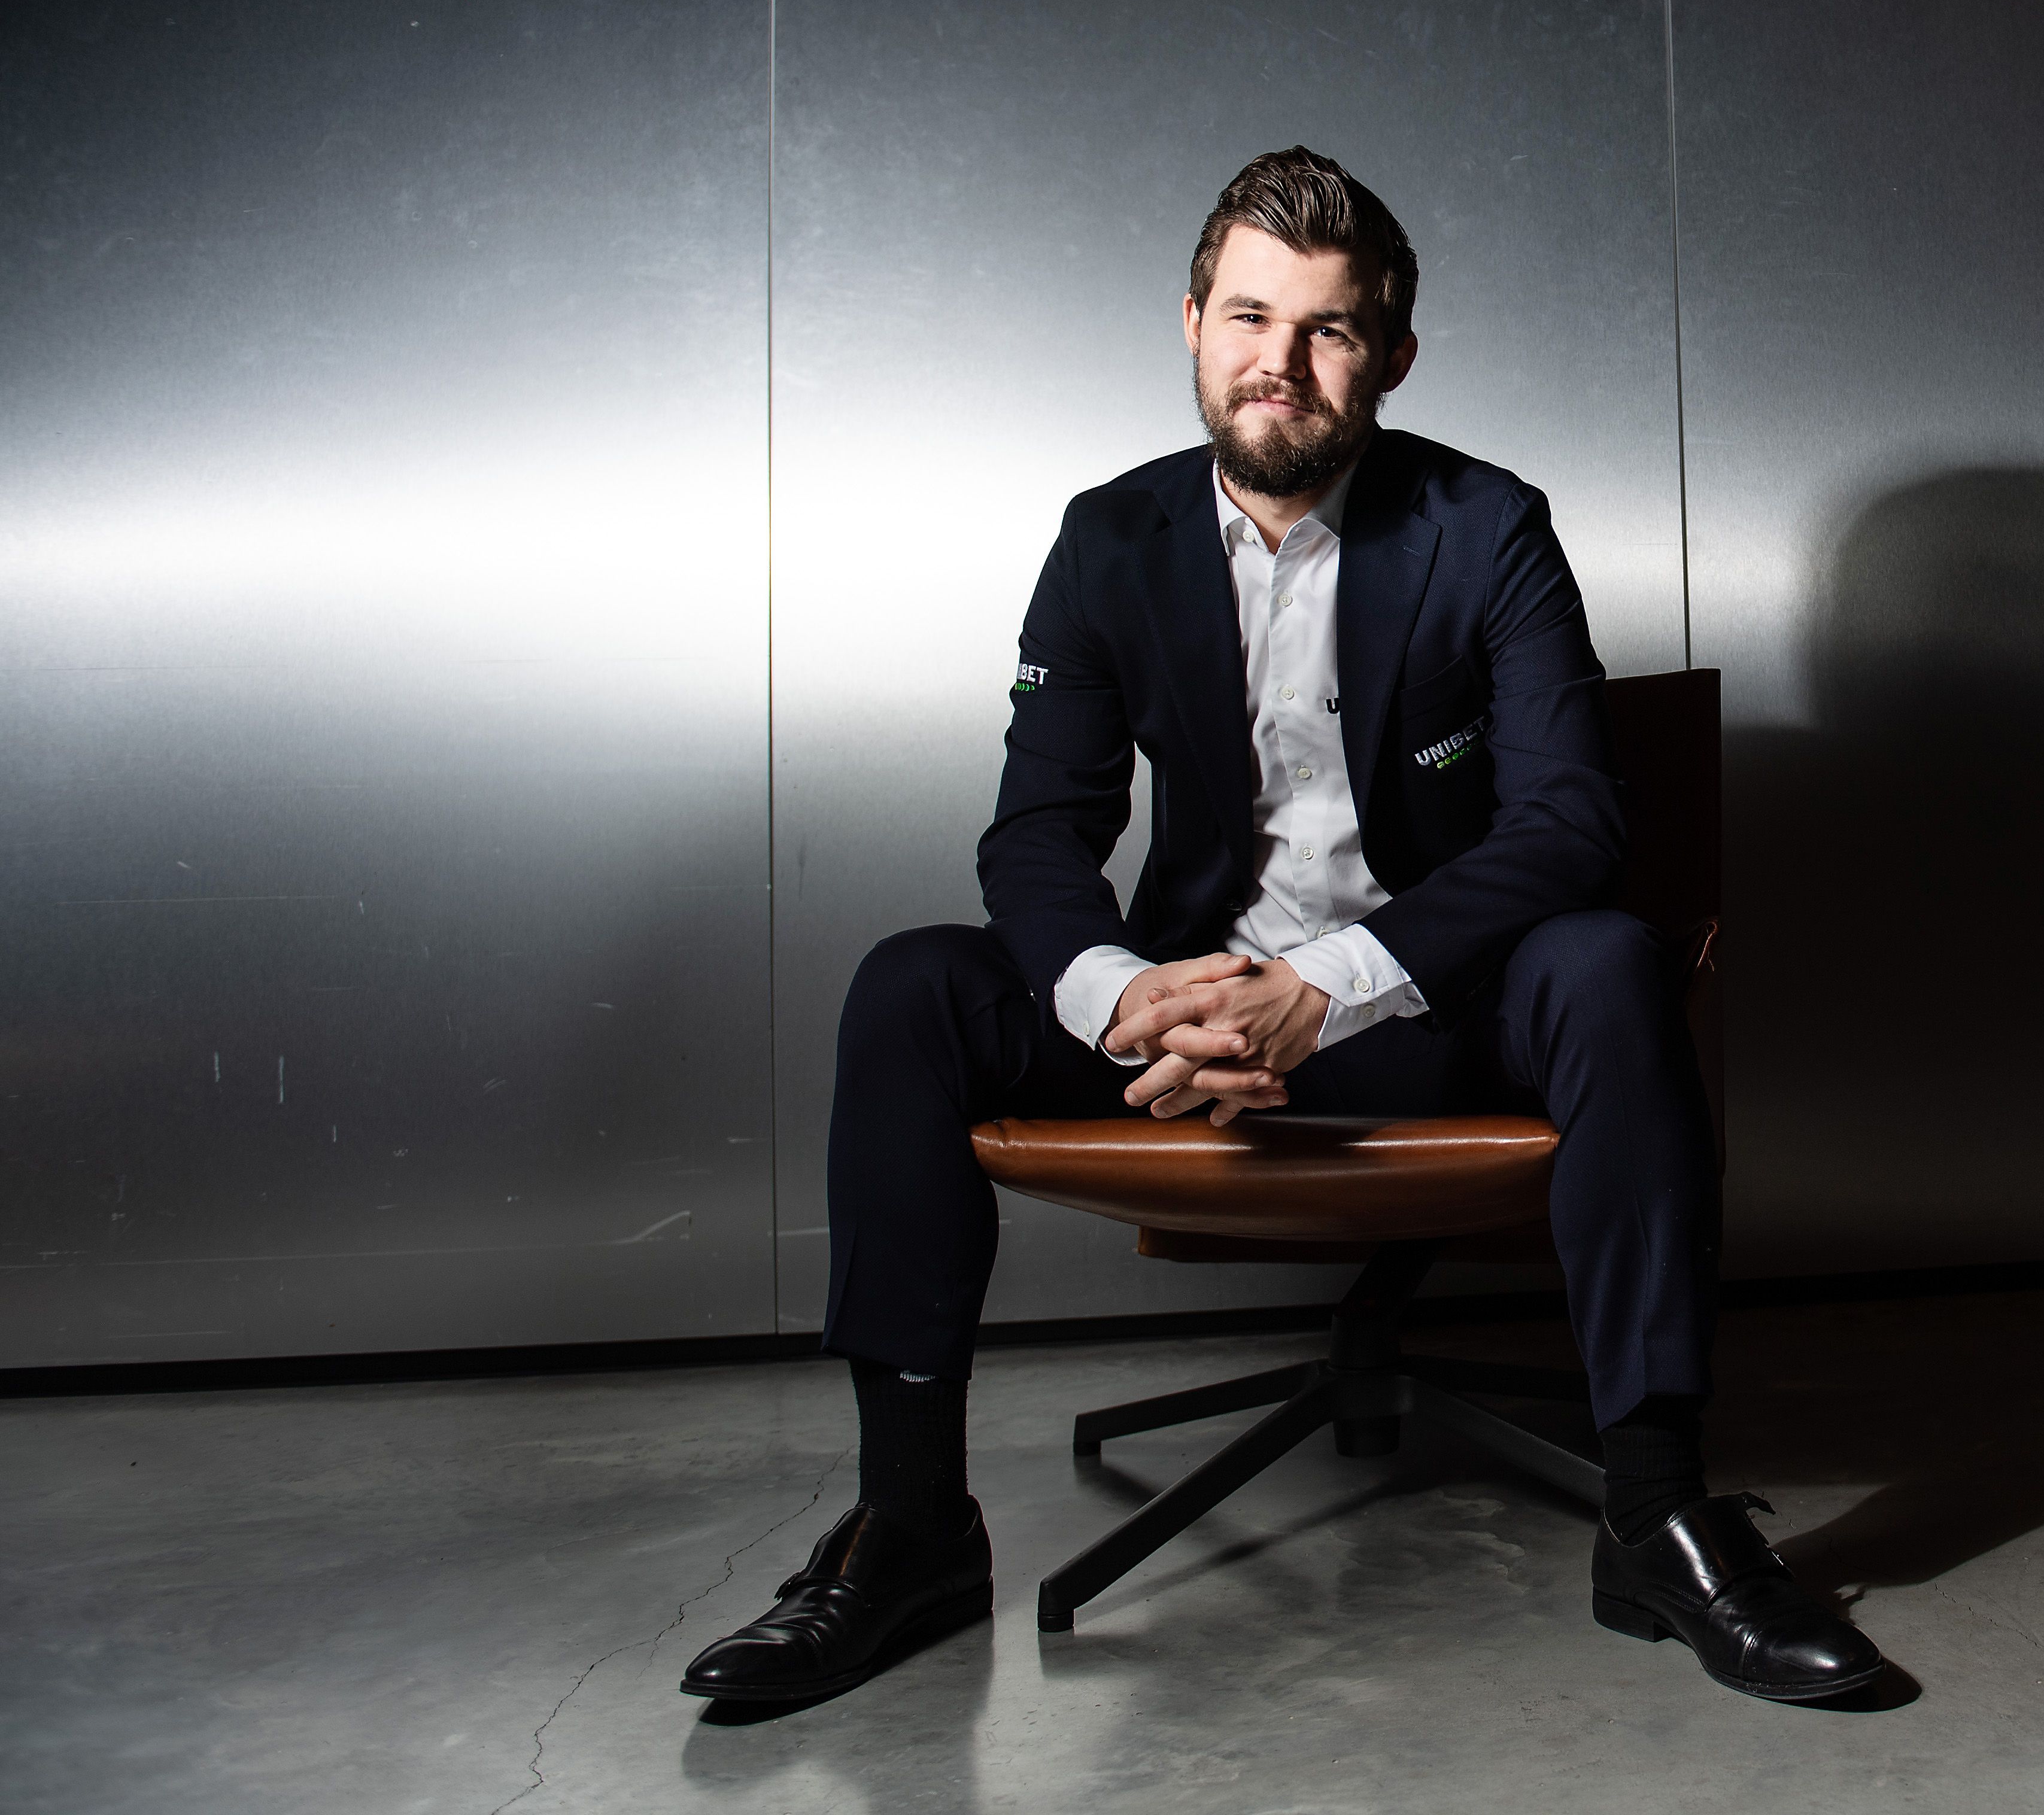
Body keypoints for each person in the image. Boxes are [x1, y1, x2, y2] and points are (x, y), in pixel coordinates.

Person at [679, 146, 1884, 1708]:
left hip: (1423, 1019)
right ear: (1194, 324)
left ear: (1391, 353)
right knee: (913, 988)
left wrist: (1323, 989)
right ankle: (906, 1526)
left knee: (1608, 959)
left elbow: (1574, 822)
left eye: (1329, 329)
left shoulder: (1486, 525)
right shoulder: (1108, 539)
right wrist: (1128, 1000)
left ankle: (1658, 1515)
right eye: (1250, 316)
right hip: (1181, 1020)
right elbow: (1038, 832)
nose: (1282, 362)